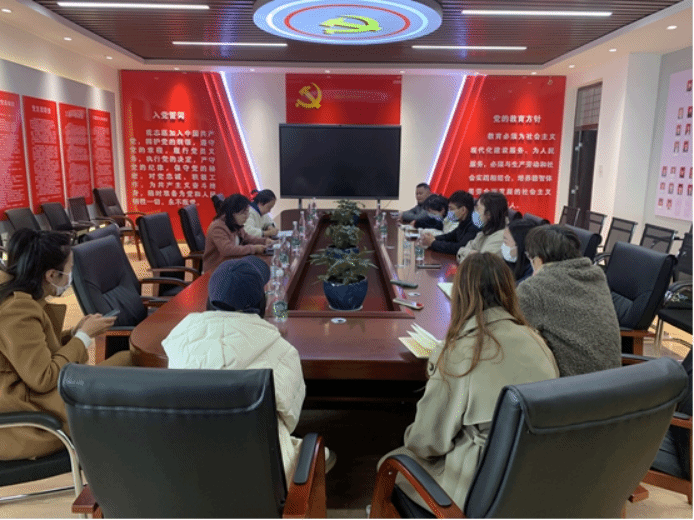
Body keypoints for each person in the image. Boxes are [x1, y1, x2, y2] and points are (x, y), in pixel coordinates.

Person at [379, 253, 559, 513]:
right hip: (535, 482)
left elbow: (427, 442)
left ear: (460, 294)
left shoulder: (461, 353)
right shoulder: (537, 342)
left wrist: (407, 435)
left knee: (389, 463)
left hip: (478, 491)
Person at [161, 256, 335, 480]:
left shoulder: (179, 344)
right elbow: (291, 419)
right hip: (262, 475)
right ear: (261, 305)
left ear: (209, 301)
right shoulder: (282, 352)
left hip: (189, 468)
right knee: (320, 453)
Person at [0, 229, 131, 461]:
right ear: (51, 275)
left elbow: (31, 352)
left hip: (31, 397)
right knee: (128, 369)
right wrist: (83, 337)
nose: (71, 275)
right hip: (28, 413)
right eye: (70, 269)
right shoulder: (17, 309)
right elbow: (43, 377)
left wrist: (74, 333)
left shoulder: (19, 297)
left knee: (126, 362)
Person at [517, 225, 622, 376]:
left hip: (570, 384)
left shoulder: (535, 288)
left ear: (538, 260)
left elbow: (509, 327)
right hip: (611, 381)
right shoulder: (596, 275)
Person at [203, 194, 274, 272]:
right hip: (217, 269)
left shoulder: (235, 223)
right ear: (232, 213)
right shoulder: (218, 227)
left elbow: (247, 237)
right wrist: (254, 248)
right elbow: (227, 249)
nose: (247, 216)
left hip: (232, 263)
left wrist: (264, 241)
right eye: (243, 213)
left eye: (247, 212)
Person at [420, 190, 478, 255]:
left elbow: (459, 248)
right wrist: (432, 239)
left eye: (452, 209)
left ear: (463, 210)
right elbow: (449, 236)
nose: (449, 212)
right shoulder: (463, 222)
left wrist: (433, 243)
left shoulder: (474, 225)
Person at [456, 191, 508, 263]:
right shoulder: (486, 230)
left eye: (478, 208)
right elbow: (461, 252)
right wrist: (471, 253)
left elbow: (480, 266)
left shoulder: (501, 237)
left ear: (489, 214)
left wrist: (468, 255)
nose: (475, 211)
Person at [502, 218, 539, 284]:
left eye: (505, 242)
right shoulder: (511, 263)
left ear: (520, 245)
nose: (503, 246)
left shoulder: (531, 274)